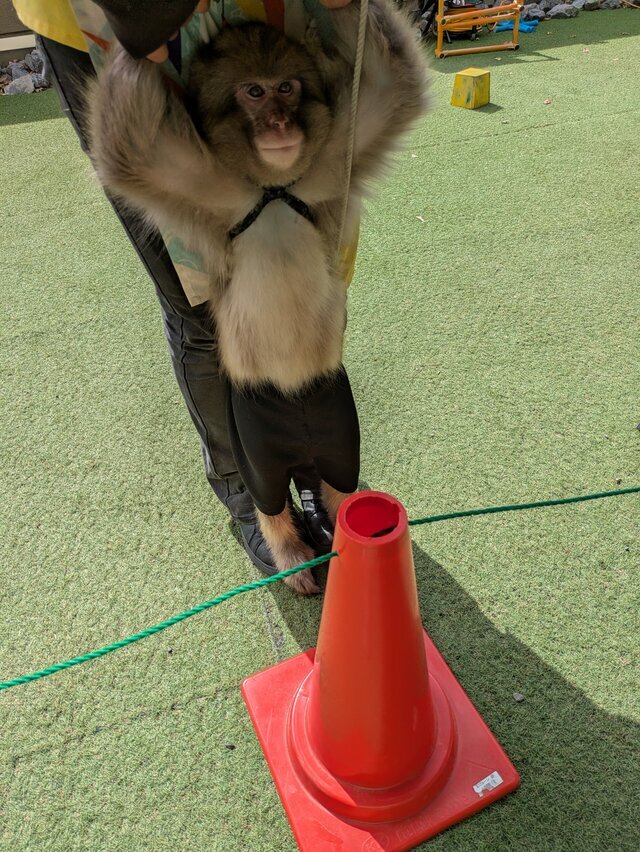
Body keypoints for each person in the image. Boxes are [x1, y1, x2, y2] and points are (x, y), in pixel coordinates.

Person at [12, 0, 356, 577]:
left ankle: (309, 473)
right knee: (202, 300)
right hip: (110, 21)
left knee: (305, 263)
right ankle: (254, 503)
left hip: (265, 11)